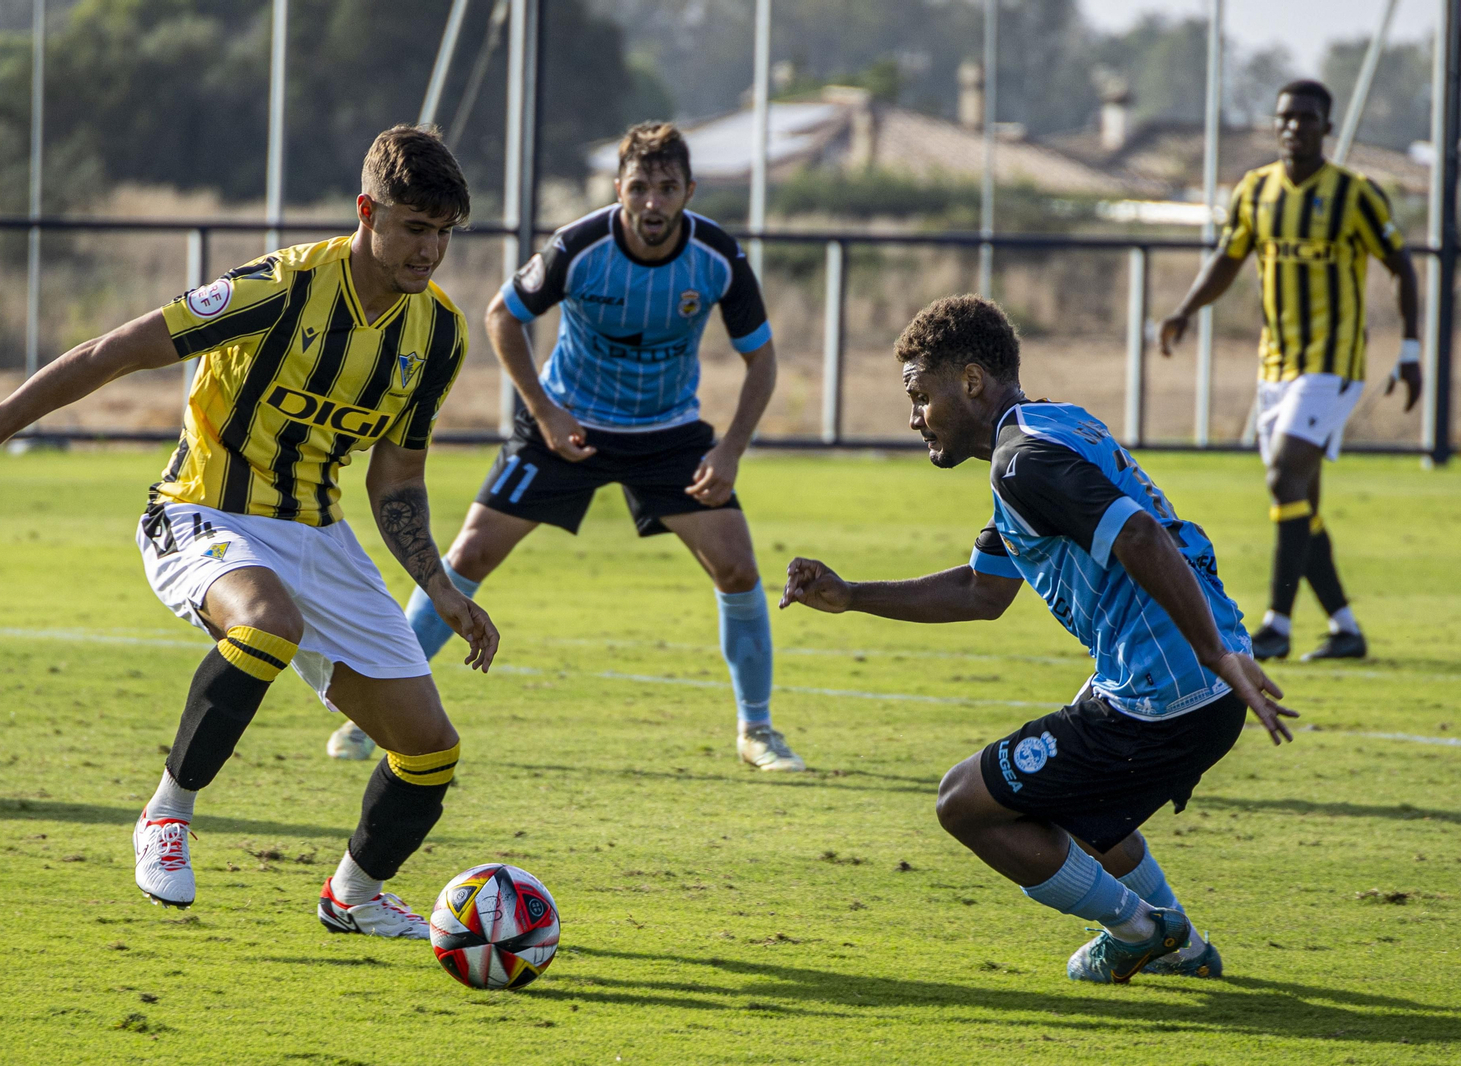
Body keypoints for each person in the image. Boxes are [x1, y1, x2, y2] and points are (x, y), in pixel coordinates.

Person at [0, 125, 498, 939]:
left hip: (319, 534)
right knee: (266, 624)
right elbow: (112, 353)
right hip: (201, 512)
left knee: (429, 752)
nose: (430, 250)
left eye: (445, 234)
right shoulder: (279, 288)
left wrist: (440, 587)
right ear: (367, 211)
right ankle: (167, 814)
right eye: (415, 227)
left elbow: (397, 479)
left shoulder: (441, 334)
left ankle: (351, 895)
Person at [781, 295, 1298, 983]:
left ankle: (1141, 930)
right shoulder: (1052, 431)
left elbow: (1139, 535)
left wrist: (1210, 651)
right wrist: (851, 598)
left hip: (1168, 691)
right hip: (1199, 683)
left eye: (920, 394)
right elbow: (981, 591)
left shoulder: (1022, 462)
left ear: (969, 381)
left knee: (964, 802)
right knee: (1079, 815)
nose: (915, 417)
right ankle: (1185, 948)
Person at [331, 120, 802, 771]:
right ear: (619, 189)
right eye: (640, 187)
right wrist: (545, 412)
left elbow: (763, 362)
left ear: (689, 190)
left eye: (668, 188)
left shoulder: (717, 258)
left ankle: (757, 731)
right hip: (566, 425)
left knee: (739, 567)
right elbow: (503, 316)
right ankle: (372, 715)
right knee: (467, 553)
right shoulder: (579, 246)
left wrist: (729, 451)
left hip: (667, 433)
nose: (653, 203)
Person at [1160, 78, 1421, 662]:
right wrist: (1184, 310)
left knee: (1283, 478)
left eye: (1306, 118)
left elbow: (1402, 267)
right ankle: (1345, 627)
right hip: (1275, 367)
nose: (1293, 127)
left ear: (1326, 129)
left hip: (1334, 365)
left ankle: (1276, 621)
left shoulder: (1355, 195)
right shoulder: (1255, 190)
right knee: (1300, 498)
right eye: (1285, 117)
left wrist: (1410, 352)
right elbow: (1228, 259)